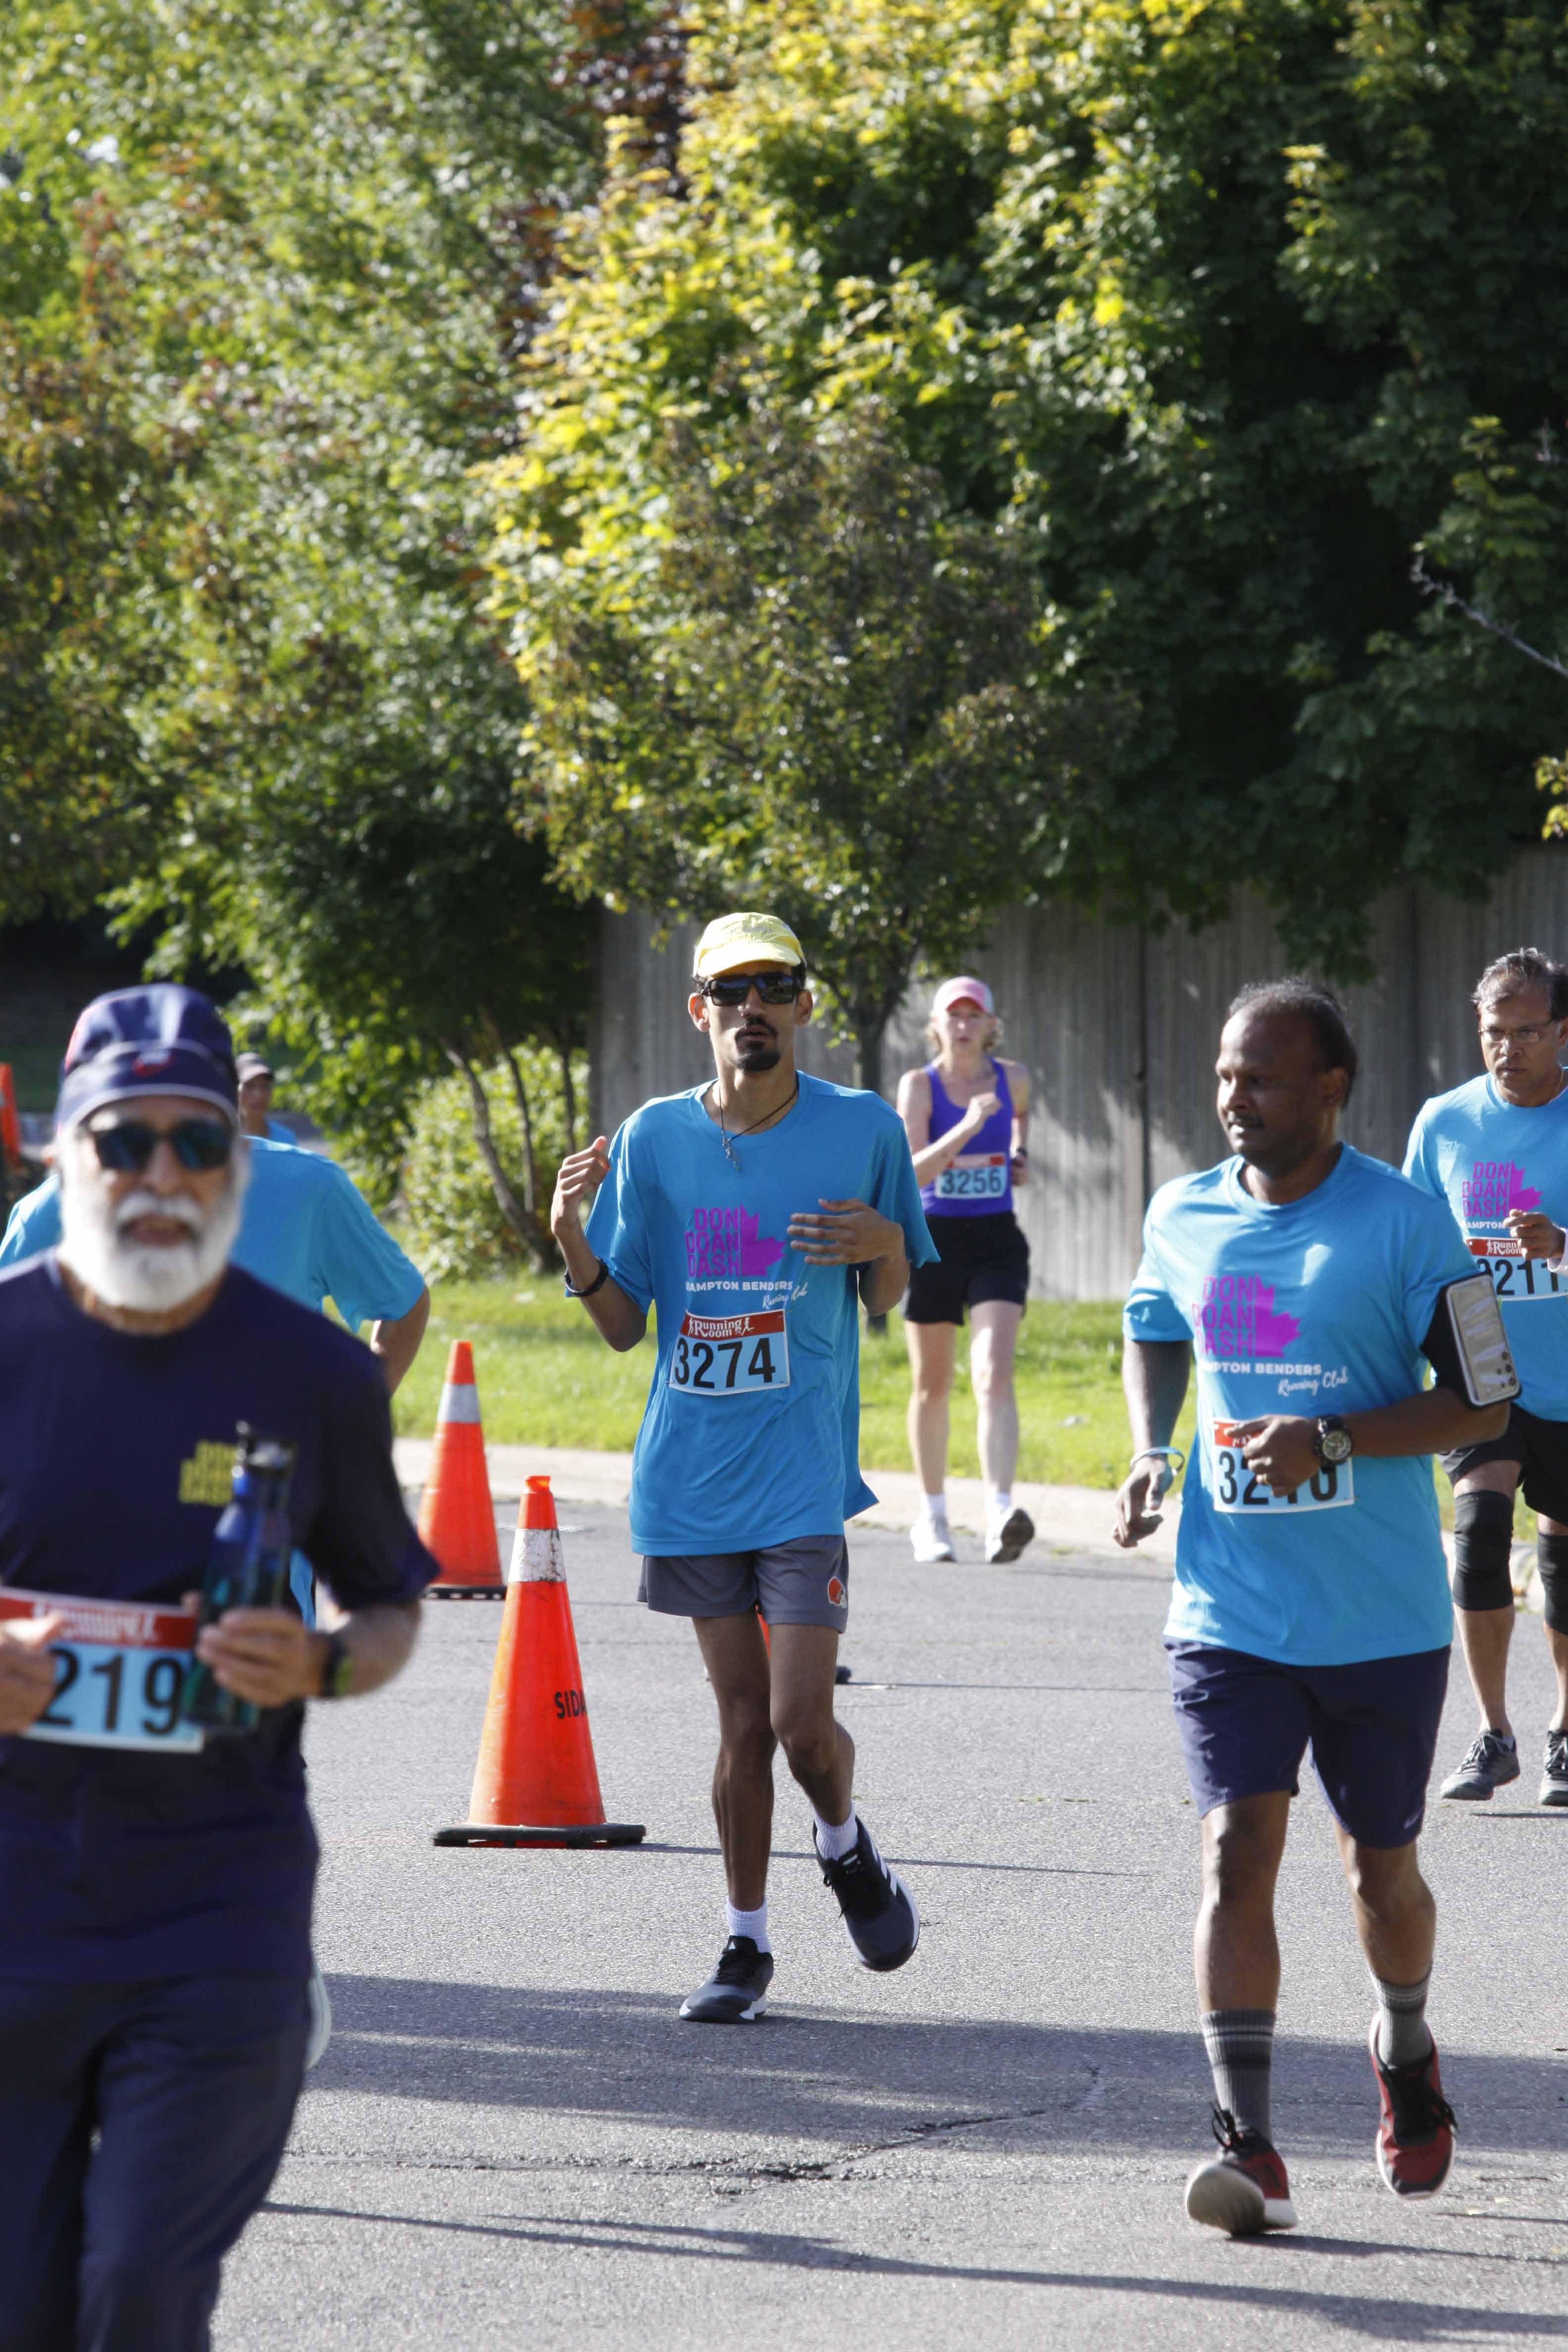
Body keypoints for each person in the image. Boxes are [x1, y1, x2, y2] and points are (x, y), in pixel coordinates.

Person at [0, 984, 435, 2351]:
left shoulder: (309, 1372)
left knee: (141, 2282)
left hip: (216, 1910)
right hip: (16, 1907)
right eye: (124, 1141)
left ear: (239, 1164)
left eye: (197, 1143)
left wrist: (320, 1664)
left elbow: (390, 1606)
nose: (162, 1176)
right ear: (64, 1155)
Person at [1113, 978, 1513, 2236]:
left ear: (1330, 1087)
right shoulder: (1181, 1211)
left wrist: (1330, 1434)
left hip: (1379, 1616)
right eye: (1225, 1075)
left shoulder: (1408, 1226)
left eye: (1264, 1077)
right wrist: (1148, 1446)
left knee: (1379, 1874)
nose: (1234, 1097)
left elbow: (1485, 1398)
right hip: (1226, 1605)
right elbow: (1151, 1324)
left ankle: (1403, 2046)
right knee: (1234, 1850)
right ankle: (1250, 2144)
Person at [549, 912, 936, 2024]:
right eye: (732, 990)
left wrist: (886, 1245)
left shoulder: (861, 1127)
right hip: (690, 1475)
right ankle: (744, 1943)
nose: (752, 1007)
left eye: (773, 987)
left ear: (803, 1005)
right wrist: (572, 1238)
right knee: (739, 1724)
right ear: (700, 1011)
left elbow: (889, 1291)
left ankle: (844, 1843)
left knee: (801, 1724)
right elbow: (623, 1325)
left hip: (801, 1471)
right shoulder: (655, 1138)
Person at [1403, 946, 1568, 1806]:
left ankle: (1564, 1733)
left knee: (1561, 1557)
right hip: (1480, 1374)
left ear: (1563, 1031)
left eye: (1527, 1031)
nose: (1508, 1048)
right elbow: (1405, 1247)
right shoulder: (1444, 1122)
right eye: (1493, 1031)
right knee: (1477, 1530)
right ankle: (1492, 1732)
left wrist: (1563, 1245)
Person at [896, 977, 1033, 1565]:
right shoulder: (920, 1086)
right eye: (953, 1015)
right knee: (933, 1384)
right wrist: (969, 1127)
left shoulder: (1013, 1078)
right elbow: (911, 1174)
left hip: (996, 1238)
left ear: (990, 1025)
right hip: (934, 1240)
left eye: (974, 1015)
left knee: (993, 1372)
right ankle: (931, 1516)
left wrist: (1020, 1154)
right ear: (936, 1025)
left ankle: (1000, 1513)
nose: (963, 1025)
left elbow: (1021, 1119)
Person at [236, 1050, 294, 1143]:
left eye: (265, 1086)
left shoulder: (286, 1140)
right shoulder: (224, 1138)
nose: (259, 1095)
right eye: (250, 1086)